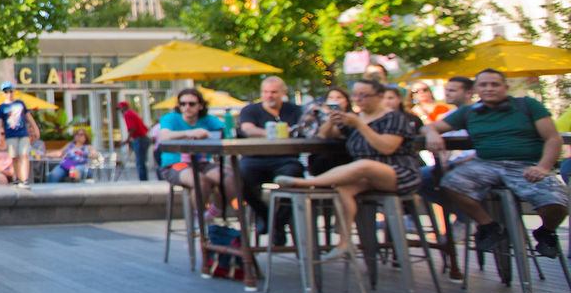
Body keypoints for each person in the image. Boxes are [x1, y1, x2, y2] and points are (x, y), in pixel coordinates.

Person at [422, 69, 568, 259]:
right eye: (484, 85)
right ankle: (488, 226)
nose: (489, 89)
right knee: (449, 181)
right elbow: (429, 126)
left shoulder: (527, 105)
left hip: (526, 164)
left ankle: (546, 232)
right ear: (476, 89)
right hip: (486, 164)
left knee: (556, 203)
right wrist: (432, 133)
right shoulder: (469, 112)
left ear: (505, 87)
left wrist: (543, 167)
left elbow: (553, 138)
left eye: (495, 84)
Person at [274, 79, 425, 261]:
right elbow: (324, 135)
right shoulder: (355, 118)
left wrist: (360, 126)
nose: (359, 99)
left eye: (364, 95)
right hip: (366, 177)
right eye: (355, 95)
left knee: (363, 165)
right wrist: (332, 120)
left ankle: (306, 183)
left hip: (398, 172)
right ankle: (345, 243)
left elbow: (387, 148)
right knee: (344, 188)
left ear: (379, 96)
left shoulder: (394, 118)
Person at [235, 76, 304, 237]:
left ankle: (277, 223)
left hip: (286, 159)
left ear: (283, 92)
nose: (269, 95)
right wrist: (271, 133)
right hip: (254, 159)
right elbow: (248, 129)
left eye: (273, 92)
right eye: (265, 92)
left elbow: (304, 127)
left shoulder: (295, 110)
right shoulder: (250, 110)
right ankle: (267, 216)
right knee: (238, 178)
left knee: (295, 178)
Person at [154, 89, 229, 218]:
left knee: (230, 177)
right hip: (175, 164)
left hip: (203, 163)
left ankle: (213, 213)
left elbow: (227, 131)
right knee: (200, 181)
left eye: (191, 104)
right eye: (182, 104)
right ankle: (198, 220)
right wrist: (189, 133)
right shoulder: (171, 118)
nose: (186, 107)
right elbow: (164, 136)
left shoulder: (208, 119)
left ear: (200, 106)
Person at [0, 82, 40, 185]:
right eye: (6, 91)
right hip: (10, 134)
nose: (9, 93)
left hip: (23, 133)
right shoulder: (2, 107)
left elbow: (28, 116)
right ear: (3, 93)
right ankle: (18, 178)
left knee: (24, 155)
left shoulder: (20, 103)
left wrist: (35, 129)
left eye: (10, 91)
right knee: (15, 156)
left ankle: (24, 179)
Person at [117, 100, 153, 181]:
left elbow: (132, 128)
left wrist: (127, 140)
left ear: (125, 107)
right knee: (141, 162)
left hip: (140, 138)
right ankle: (144, 180)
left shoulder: (127, 114)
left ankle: (143, 181)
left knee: (140, 162)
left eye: (121, 108)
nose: (120, 110)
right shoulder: (132, 113)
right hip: (142, 138)